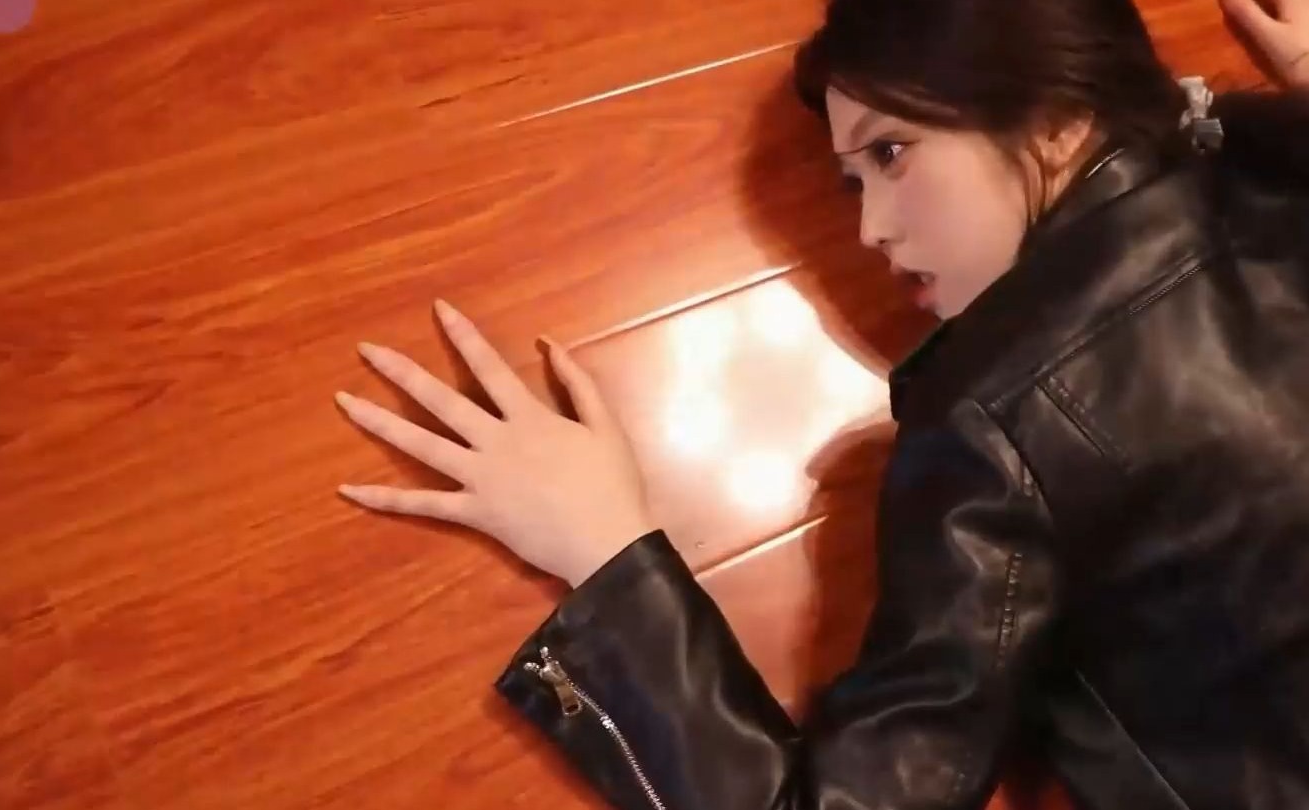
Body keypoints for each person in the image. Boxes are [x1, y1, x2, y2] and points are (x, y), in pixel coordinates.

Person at [333, 0, 1309, 807]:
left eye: (892, 152)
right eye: (851, 181)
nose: (871, 228)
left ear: (1057, 119)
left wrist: (606, 556)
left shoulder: (997, 420)